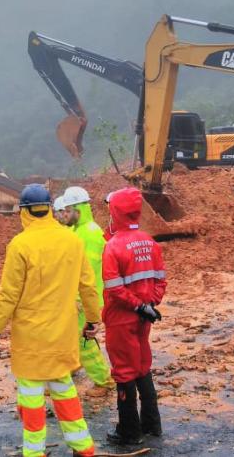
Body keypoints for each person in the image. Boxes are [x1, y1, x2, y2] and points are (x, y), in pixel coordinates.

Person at [0, 184, 99, 457]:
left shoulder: (20, 244)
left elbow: (9, 295)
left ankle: (34, 452)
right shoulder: (72, 240)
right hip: (62, 336)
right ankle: (83, 448)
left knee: (31, 397)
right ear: (49, 208)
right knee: (64, 390)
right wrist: (93, 320)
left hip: (30, 341)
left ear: (24, 211)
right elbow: (88, 286)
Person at [101, 187, 166, 445]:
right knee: (142, 365)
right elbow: (161, 280)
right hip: (144, 318)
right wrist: (148, 305)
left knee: (124, 371)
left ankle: (129, 432)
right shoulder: (150, 242)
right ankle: (152, 425)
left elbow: (114, 288)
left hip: (121, 317)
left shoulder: (113, 247)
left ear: (115, 212)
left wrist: (137, 306)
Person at [60, 186, 116, 397]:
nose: (64, 214)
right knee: (73, 337)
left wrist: (78, 299)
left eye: (68, 210)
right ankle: (73, 367)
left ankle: (104, 380)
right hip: (80, 297)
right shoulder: (79, 231)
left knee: (83, 341)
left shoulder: (89, 234)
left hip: (86, 299)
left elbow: (88, 274)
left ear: (78, 210)